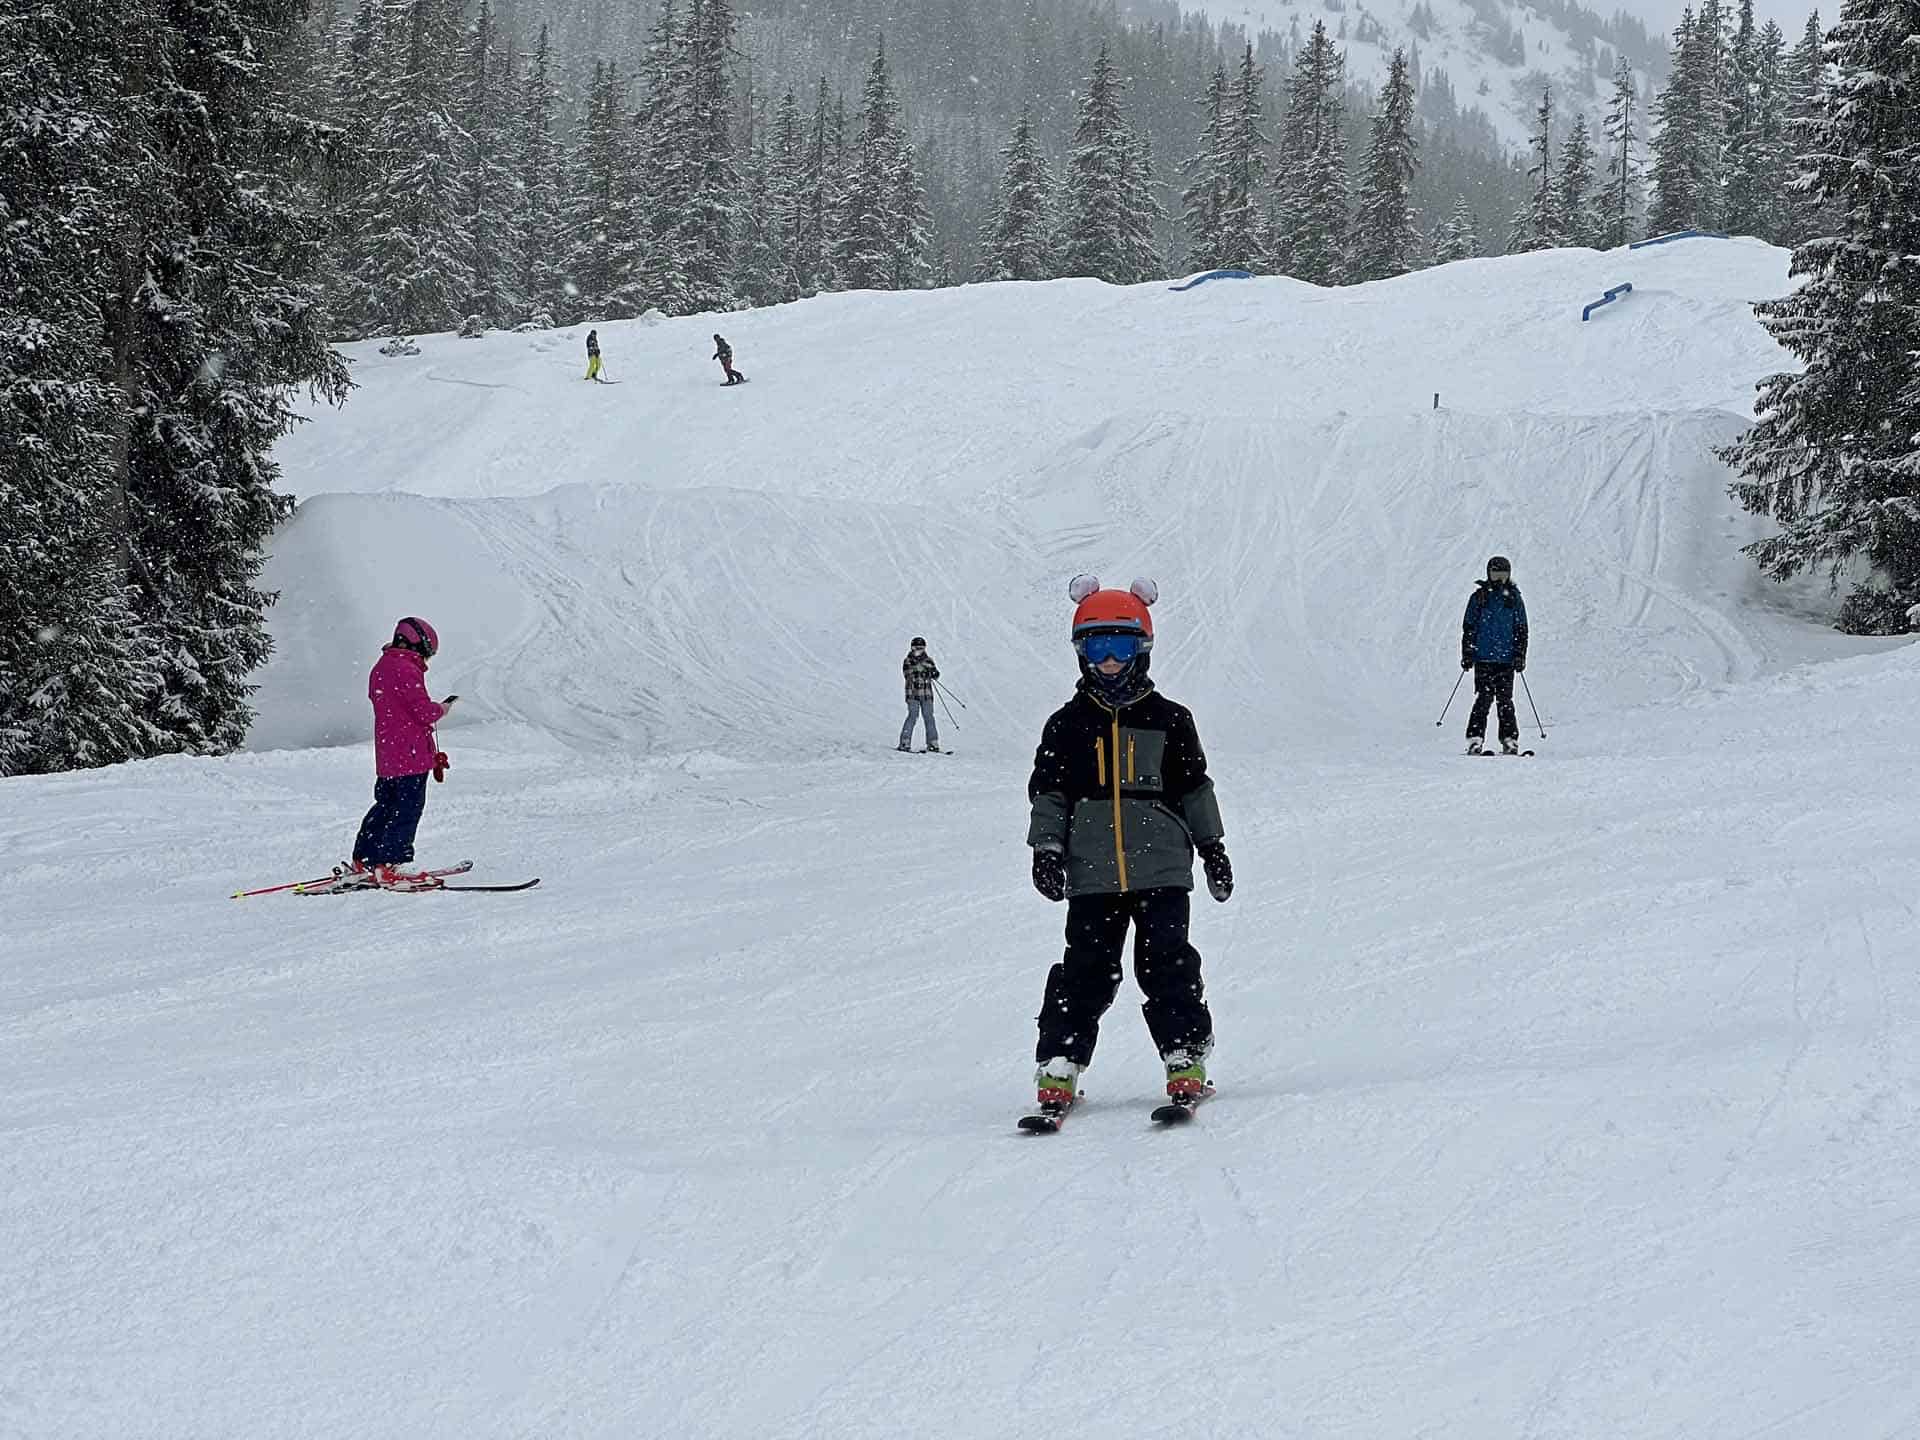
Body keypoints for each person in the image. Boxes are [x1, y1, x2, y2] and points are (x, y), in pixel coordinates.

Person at [1024, 576, 1233, 1118]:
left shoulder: (1170, 719)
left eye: (1120, 646)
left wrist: (1212, 848)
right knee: (1085, 968)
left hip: (1162, 869)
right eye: (1097, 647)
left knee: (1166, 964)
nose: (1109, 660)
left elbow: (1194, 788)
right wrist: (1046, 848)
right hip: (1092, 872)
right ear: (1081, 652)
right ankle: (1060, 1063)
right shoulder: (1067, 726)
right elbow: (1049, 794)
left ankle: (1184, 1055)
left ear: (1141, 648)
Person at [312, 618, 457, 892]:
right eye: (427, 651)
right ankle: (392, 864)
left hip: (389, 755)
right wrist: (442, 709)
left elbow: (395, 705)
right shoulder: (406, 668)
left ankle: (366, 859)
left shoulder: (382, 666)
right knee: (407, 809)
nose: (426, 658)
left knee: (385, 806)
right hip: (410, 754)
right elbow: (422, 711)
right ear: (415, 644)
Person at [1461, 555, 1528, 755]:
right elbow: (1469, 627)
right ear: (1488, 574)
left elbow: (1521, 629)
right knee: (1484, 698)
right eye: (1495, 573)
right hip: (1484, 658)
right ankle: (1475, 739)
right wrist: (1468, 652)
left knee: (1505, 700)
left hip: (1506, 659)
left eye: (1503, 574)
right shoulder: (1479, 597)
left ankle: (1509, 739)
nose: (1499, 578)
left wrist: (1519, 654)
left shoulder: (1514, 598)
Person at [898, 637, 941, 752]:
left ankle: (933, 742)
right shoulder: (908, 660)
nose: (919, 651)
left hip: (927, 695)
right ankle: (904, 742)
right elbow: (908, 674)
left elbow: (935, 674)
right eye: (916, 648)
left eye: (921, 648)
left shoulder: (929, 660)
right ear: (912, 648)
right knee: (913, 716)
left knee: (929, 717)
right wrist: (922, 669)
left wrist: (934, 673)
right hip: (913, 694)